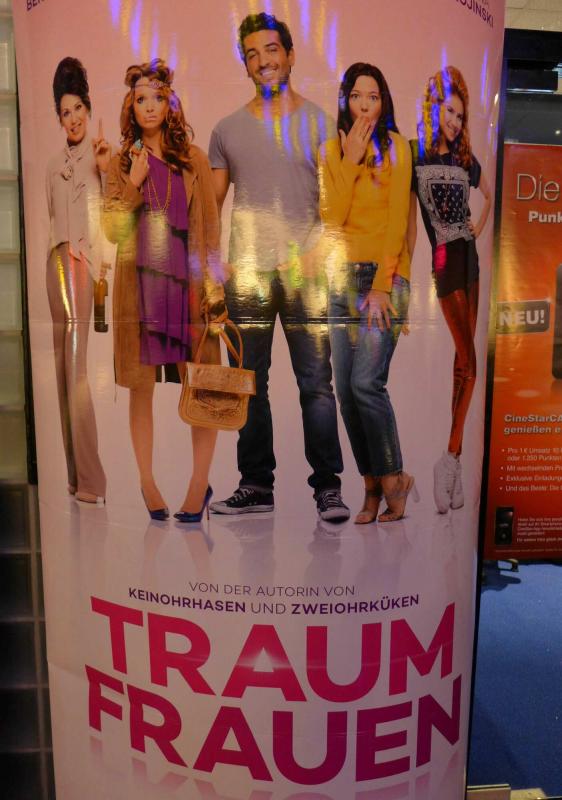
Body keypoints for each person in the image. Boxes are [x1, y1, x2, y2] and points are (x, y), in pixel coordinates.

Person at [208, 12, 348, 522]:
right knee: (248, 383)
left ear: (289, 55)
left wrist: (314, 257)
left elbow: (337, 208)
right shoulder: (226, 130)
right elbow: (210, 209)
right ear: (245, 65)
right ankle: (255, 485)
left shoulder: (320, 124)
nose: (263, 61)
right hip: (247, 277)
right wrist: (212, 270)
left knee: (316, 385)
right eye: (252, 54)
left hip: (305, 275)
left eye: (271, 50)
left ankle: (328, 488)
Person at [104, 59, 224, 522]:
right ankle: (147, 482)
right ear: (131, 107)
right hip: (141, 290)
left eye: (157, 97)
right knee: (141, 389)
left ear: (170, 103)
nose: (150, 106)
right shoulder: (122, 163)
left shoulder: (194, 159)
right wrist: (133, 183)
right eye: (141, 99)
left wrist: (214, 292)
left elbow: (210, 233)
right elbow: (112, 231)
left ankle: (199, 484)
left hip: (188, 291)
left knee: (202, 388)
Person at [319, 62, 418, 524]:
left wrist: (382, 286)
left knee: (366, 383)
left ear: (383, 102)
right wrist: (350, 160)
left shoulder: (398, 147)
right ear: (346, 100)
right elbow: (331, 219)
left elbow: (398, 221)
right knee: (345, 390)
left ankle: (395, 477)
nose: (364, 105)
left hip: (386, 280)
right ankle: (372, 485)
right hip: (340, 281)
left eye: (373, 97)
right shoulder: (330, 151)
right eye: (357, 96)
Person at [411, 66, 491, 512]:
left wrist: (479, 225)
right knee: (471, 363)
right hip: (443, 263)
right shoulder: (415, 155)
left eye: (461, 115)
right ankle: (450, 458)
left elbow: (489, 196)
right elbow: (408, 223)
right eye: (449, 112)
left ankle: (452, 462)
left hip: (470, 260)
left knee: (463, 365)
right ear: (434, 108)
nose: (456, 122)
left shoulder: (465, 159)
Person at [46, 57, 112, 504]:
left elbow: (114, 214)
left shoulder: (102, 155)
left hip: (81, 264)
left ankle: (92, 480)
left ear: (88, 108)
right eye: (65, 113)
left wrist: (100, 267)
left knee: (77, 370)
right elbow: (51, 216)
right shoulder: (53, 164)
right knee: (60, 372)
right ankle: (74, 477)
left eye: (77, 109)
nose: (72, 119)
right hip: (54, 264)